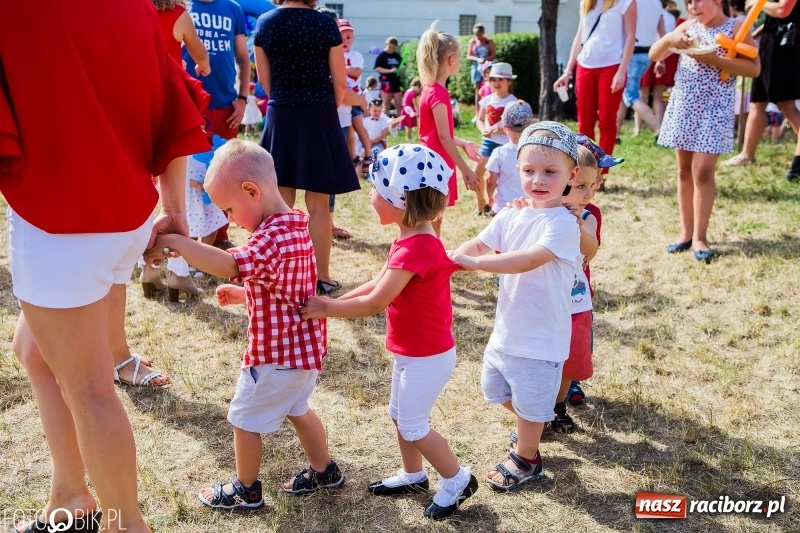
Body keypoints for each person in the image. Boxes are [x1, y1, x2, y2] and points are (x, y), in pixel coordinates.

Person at [0, 1, 209, 531]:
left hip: (60, 221)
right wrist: (174, 210)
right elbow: (173, 104)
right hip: (124, 214)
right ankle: (69, 496)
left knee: (92, 390)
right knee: (36, 350)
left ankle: (125, 524)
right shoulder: (133, 7)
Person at [144, 140, 344, 509]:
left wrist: (178, 243)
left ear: (252, 190)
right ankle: (325, 470)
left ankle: (246, 489)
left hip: (275, 357)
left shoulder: (270, 236)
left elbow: (232, 265)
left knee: (243, 419)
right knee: (298, 409)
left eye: (230, 209)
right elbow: (285, 286)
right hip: (303, 352)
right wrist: (244, 295)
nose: (232, 220)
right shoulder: (295, 223)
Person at [300, 145, 478, 520]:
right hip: (415, 353)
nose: (371, 195)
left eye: (377, 190)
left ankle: (458, 478)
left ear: (401, 202)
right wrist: (329, 302)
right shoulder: (413, 240)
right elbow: (374, 284)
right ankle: (414, 475)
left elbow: (374, 303)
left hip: (427, 358)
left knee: (414, 424)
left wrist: (328, 309)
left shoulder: (415, 249)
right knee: (399, 415)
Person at [449, 122, 581, 491]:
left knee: (529, 399)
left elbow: (526, 259)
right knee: (496, 391)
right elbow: (480, 242)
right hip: (507, 329)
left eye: (550, 172)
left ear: (571, 175)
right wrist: (452, 258)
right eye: (528, 171)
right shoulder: (511, 214)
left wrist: (476, 264)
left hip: (541, 338)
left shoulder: (564, 224)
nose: (538, 179)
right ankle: (533, 423)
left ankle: (528, 457)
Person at [254, 0, 360, 295]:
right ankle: (321, 277)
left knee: (280, 203)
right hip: (320, 113)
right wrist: (325, 111)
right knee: (319, 206)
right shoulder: (326, 23)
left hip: (282, 113)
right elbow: (340, 82)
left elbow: (265, 82)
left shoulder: (265, 22)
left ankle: (284, 274)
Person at [652, 0, 760, 262]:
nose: (693, 6)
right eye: (688, 2)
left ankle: (700, 236)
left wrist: (713, 59)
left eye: (698, 0)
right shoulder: (688, 27)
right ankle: (685, 233)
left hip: (714, 106)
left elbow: (754, 68)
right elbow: (655, 54)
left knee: (702, 171)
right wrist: (669, 38)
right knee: (683, 169)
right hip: (685, 102)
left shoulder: (736, 27)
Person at [184, 0, 251, 251]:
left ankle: (220, 234)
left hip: (225, 104)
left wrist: (243, 99)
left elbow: (243, 59)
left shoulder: (233, 8)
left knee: (225, 170)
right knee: (186, 175)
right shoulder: (183, 6)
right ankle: (184, 231)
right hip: (189, 103)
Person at [566, 134, 622, 405]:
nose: (597, 183)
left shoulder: (590, 213)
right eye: (586, 181)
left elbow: (591, 248)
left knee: (579, 340)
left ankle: (573, 380)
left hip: (578, 292)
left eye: (596, 178)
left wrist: (576, 221)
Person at [722, 0, 800, 182]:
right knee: (757, 101)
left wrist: (757, 3)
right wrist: (755, 35)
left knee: (786, 104)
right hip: (771, 41)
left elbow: (782, 10)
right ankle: (747, 154)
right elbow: (775, 19)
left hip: (783, 45)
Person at [416, 22, 481, 235]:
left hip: (433, 159)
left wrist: (463, 143)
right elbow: (443, 138)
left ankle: (432, 255)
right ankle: (428, 258)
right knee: (432, 216)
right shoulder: (439, 94)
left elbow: (439, 133)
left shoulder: (429, 89)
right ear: (451, 59)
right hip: (438, 163)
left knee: (434, 215)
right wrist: (467, 171)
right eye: (459, 57)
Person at [555, 0, 637, 160]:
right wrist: (567, 71)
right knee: (584, 121)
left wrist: (621, 71)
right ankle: (585, 169)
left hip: (612, 66)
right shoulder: (586, 2)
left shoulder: (626, 2)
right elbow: (579, 37)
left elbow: (630, 37)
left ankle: (601, 173)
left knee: (607, 121)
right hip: (585, 65)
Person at [474, 62, 519, 216]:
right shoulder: (487, 100)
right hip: (488, 142)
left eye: (501, 79)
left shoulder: (513, 102)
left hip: (506, 144)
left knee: (502, 177)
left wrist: (499, 129)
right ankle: (481, 203)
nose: (497, 83)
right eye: (493, 80)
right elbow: (480, 120)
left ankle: (496, 203)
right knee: (476, 173)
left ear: (509, 82)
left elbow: (516, 125)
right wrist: (484, 130)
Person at [616, 0, 665, 140]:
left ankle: (659, 129)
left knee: (630, 95)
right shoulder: (657, 3)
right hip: (647, 54)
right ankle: (616, 134)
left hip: (632, 53)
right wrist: (661, 59)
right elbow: (662, 33)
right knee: (621, 94)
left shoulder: (630, 2)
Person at [636, 1, 683, 135]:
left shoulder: (649, 12)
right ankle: (660, 127)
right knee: (657, 96)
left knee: (642, 95)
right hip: (662, 56)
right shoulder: (670, 16)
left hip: (648, 52)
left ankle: (638, 128)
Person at [485, 100, 534, 215]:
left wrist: (490, 197)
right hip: (529, 207)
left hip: (503, 208)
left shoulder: (499, 153)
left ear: (505, 128)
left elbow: (490, 181)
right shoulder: (536, 152)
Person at [339, 19, 372, 164]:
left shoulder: (355, 55)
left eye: (348, 37)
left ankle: (369, 154)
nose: (345, 40)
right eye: (341, 37)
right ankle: (353, 156)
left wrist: (338, 68)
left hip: (354, 94)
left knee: (357, 124)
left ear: (353, 39)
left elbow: (356, 72)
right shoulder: (334, 53)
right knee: (349, 128)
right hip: (342, 96)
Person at [466, 25, 497, 109]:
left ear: (483, 33)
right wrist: (477, 59)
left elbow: (493, 55)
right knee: (478, 90)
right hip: (476, 67)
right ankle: (478, 112)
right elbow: (468, 56)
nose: (477, 36)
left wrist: (484, 59)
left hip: (487, 68)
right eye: (475, 34)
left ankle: (490, 108)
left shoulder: (489, 41)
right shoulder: (472, 42)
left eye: (479, 34)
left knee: (488, 87)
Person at [375, 37, 404, 116]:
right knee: (386, 104)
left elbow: (402, 65)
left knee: (398, 104)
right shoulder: (382, 55)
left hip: (396, 81)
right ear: (386, 44)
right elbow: (377, 68)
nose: (391, 49)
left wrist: (402, 69)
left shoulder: (396, 55)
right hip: (386, 82)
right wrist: (389, 71)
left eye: (393, 48)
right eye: (390, 47)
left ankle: (399, 123)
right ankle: (386, 123)